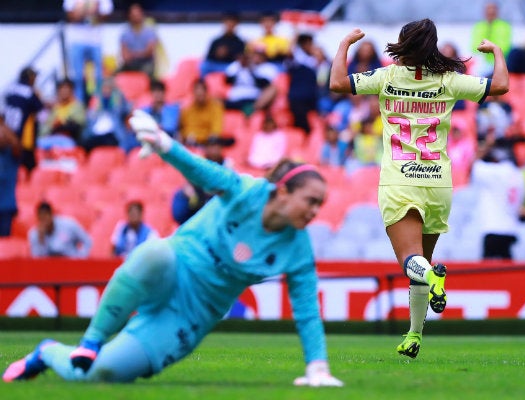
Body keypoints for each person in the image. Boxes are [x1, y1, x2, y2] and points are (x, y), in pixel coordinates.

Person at [2, 109, 343, 386]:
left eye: (320, 205)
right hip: (173, 268)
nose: (315, 212)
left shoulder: (298, 249)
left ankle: (46, 353)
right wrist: (165, 144)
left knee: (100, 376)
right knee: (154, 252)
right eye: (311, 201)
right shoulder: (246, 190)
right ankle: (91, 341)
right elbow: (203, 170)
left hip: (193, 315)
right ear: (283, 191)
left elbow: (307, 311)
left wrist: (317, 368)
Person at [329, 20, 509, 358]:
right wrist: (497, 52)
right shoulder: (449, 80)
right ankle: (414, 336)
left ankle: (432, 279)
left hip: (400, 179)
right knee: (422, 262)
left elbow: (337, 82)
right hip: (438, 181)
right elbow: (499, 86)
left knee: (412, 262)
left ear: (403, 43)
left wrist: (344, 46)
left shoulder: (386, 77)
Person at [171, 134, 234, 225]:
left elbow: (229, 186)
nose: (213, 150)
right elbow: (188, 183)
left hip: (218, 197)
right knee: (180, 196)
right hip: (199, 195)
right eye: (210, 146)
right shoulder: (199, 161)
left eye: (216, 146)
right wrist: (192, 194)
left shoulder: (227, 164)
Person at [63, 0, 114, 104]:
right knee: (78, 77)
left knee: (99, 76)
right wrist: (86, 11)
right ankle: (79, 104)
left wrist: (90, 12)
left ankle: (99, 104)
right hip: (77, 40)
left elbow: (106, 15)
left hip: (95, 40)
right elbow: (70, 16)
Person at [2, 66, 44, 177]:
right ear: (30, 77)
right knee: (25, 169)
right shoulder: (29, 92)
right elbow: (41, 112)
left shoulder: (10, 89)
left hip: (5, 136)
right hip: (20, 139)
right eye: (34, 76)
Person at [27, 201, 93, 258]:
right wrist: (41, 240)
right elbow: (37, 260)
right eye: (41, 218)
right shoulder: (34, 234)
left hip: (71, 264)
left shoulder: (69, 225)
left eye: (45, 216)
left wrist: (80, 258)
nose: (44, 221)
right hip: (49, 269)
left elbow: (87, 241)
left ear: (51, 215)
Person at [470, 2, 512, 77]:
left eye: (493, 10)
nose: (491, 12)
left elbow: (505, 47)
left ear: (497, 11)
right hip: (482, 63)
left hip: (499, 62)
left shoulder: (504, 26)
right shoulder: (479, 26)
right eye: (488, 10)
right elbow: (474, 47)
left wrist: (487, 48)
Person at [178, 78, 224, 145]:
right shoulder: (186, 109)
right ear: (193, 93)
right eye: (197, 92)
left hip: (207, 144)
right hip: (189, 143)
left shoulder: (215, 107)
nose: (199, 95)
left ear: (206, 92)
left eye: (202, 92)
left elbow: (216, 132)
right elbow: (182, 130)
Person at [199, 12, 246, 77]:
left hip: (228, 66)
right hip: (214, 64)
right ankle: (202, 85)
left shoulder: (240, 42)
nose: (230, 25)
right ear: (224, 23)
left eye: (232, 23)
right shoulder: (216, 41)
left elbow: (240, 59)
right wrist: (217, 54)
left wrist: (227, 54)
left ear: (236, 24)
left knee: (236, 69)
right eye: (228, 22)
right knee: (204, 66)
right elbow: (208, 57)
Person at [119, 3, 158, 78]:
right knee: (116, 76)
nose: (136, 17)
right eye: (133, 15)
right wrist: (139, 54)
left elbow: (149, 52)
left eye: (137, 14)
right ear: (129, 16)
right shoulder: (125, 33)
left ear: (142, 14)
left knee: (147, 72)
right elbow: (125, 55)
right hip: (131, 64)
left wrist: (133, 55)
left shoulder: (149, 32)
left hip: (146, 63)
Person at [0, 117, 21, 236]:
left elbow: (16, 144)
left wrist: (3, 125)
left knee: (3, 246)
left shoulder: (11, 155)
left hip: (5, 207)